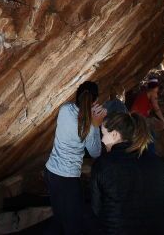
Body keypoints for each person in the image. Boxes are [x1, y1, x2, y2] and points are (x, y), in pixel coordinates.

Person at [45, 81, 108, 234]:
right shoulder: (88, 124)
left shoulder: (64, 109)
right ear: (95, 101)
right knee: (74, 225)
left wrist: (90, 118)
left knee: (59, 217)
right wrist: (96, 125)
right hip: (68, 178)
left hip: (51, 171)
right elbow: (95, 153)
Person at [90, 112, 164, 234]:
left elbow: (96, 209)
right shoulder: (158, 162)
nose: (102, 139)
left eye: (104, 134)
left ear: (115, 134)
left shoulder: (103, 164)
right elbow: (162, 203)